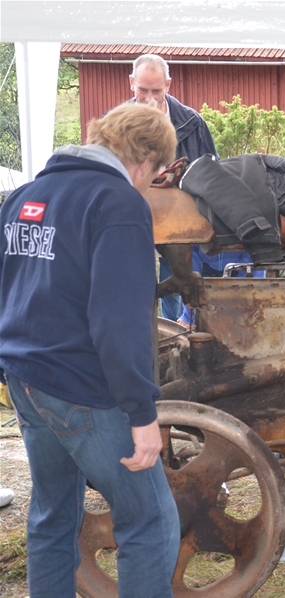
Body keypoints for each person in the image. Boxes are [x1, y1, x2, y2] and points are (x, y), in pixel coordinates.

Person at [0, 103, 180, 598]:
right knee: (149, 521)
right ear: (145, 160)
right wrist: (142, 415)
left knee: (53, 517)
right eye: (156, 174)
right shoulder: (117, 203)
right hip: (85, 390)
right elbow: (117, 322)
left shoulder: (24, 197)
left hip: (26, 382)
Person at [129, 53, 218, 322]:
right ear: (131, 83)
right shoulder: (116, 123)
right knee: (136, 291)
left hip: (179, 225)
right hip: (134, 222)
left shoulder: (192, 122)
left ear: (168, 85)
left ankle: (174, 333)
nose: (150, 98)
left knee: (176, 289)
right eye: (143, 90)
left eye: (156, 91)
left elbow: (213, 172)